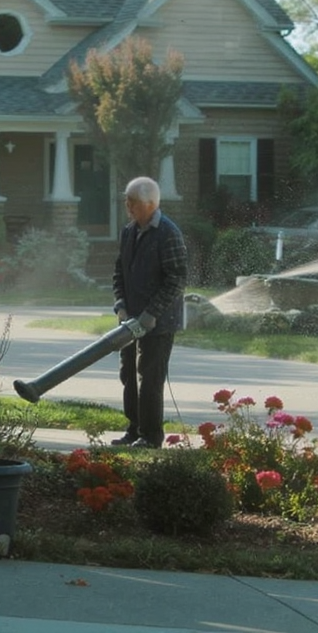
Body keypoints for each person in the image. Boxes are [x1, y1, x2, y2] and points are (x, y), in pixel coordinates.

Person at [111, 176, 188, 449]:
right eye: (126, 201)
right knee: (128, 375)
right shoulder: (129, 231)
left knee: (149, 379)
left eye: (132, 202)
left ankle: (150, 436)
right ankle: (133, 431)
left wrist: (151, 312)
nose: (127, 206)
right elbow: (120, 271)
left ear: (150, 203)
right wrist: (120, 303)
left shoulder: (168, 233)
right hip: (130, 321)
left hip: (159, 323)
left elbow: (177, 278)